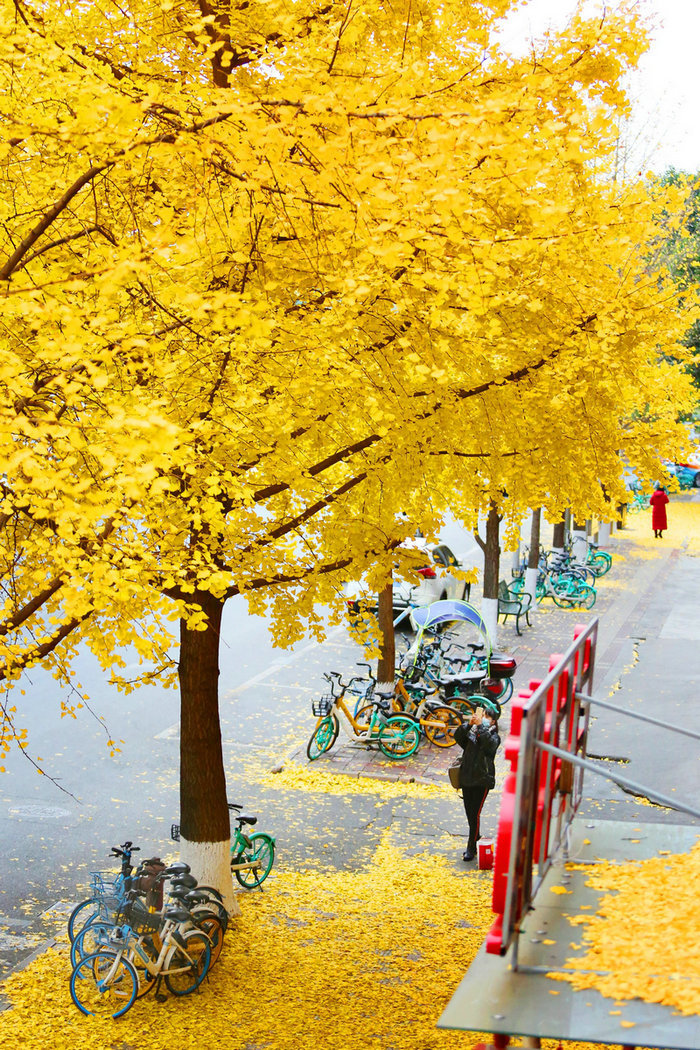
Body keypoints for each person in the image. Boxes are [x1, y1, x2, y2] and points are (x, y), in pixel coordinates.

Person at [453, 698, 501, 862]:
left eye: (488, 716)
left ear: (493, 721)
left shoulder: (493, 736)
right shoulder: (472, 732)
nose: (484, 718)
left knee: (475, 814)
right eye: (483, 715)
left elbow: (488, 745)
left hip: (482, 780)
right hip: (466, 777)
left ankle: (471, 847)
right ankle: (476, 836)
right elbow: (458, 737)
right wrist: (468, 724)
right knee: (469, 813)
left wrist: (480, 726)